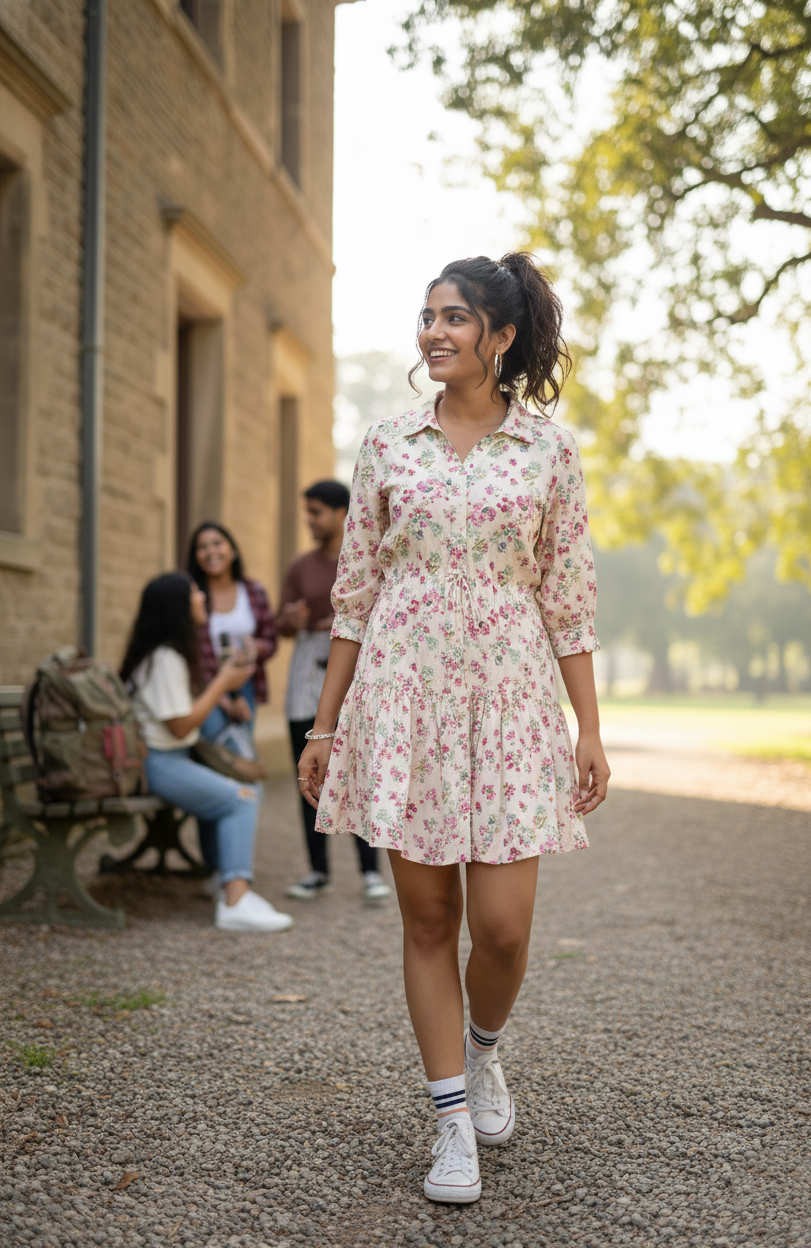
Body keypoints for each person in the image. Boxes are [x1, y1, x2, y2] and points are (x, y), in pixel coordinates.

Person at [298, 254, 610, 1203]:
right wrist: (323, 729)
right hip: (404, 698)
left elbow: (569, 599)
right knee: (429, 919)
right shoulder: (389, 444)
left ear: (500, 338)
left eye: (454, 318)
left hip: (514, 702)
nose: (433, 332)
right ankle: (450, 1127)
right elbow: (353, 597)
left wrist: (588, 730)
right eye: (427, 316)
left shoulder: (549, 452)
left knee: (506, 930)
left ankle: (484, 1053)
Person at [121, 572, 293, 933]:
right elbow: (181, 726)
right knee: (242, 798)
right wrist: (223, 683)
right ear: (177, 607)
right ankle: (234, 900)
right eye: (194, 593)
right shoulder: (165, 657)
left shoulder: (169, 654)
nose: (201, 597)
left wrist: (227, 695)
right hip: (157, 762)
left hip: (170, 758)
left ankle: (228, 883)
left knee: (246, 789)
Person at [276, 480, 391, 903]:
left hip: (357, 673)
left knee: (361, 772)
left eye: (317, 512)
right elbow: (281, 626)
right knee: (308, 774)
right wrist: (292, 619)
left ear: (344, 512)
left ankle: (369, 872)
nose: (309, 520)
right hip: (307, 677)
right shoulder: (300, 566)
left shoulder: (369, 559)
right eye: (307, 511)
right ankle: (317, 871)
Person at [186, 522, 278, 887]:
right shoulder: (193, 594)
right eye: (202, 546)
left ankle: (231, 863)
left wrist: (256, 650)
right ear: (195, 556)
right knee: (213, 770)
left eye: (217, 543)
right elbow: (194, 651)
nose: (210, 551)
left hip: (247, 693)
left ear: (232, 549)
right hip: (207, 697)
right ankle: (215, 865)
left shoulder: (252, 590)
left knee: (237, 769)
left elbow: (269, 638)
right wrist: (221, 696)